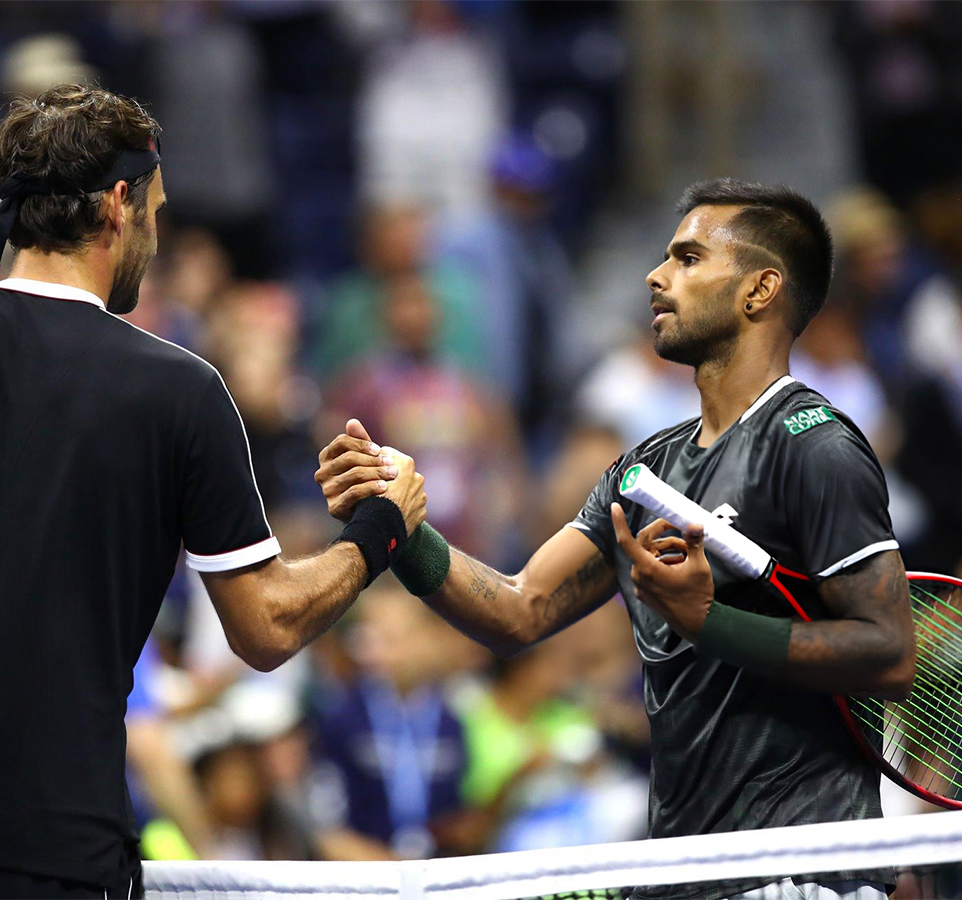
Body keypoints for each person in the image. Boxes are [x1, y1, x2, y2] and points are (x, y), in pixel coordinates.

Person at [0, 84, 426, 900]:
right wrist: (380, 532)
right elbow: (266, 624)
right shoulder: (180, 391)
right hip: (53, 848)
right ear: (120, 204)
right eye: (156, 210)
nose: (157, 233)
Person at [319, 179, 915, 900]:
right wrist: (401, 531)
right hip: (682, 876)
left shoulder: (811, 445)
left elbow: (889, 653)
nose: (656, 276)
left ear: (760, 290)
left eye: (689, 259)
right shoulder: (644, 471)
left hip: (800, 873)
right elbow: (519, 609)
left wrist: (708, 622)